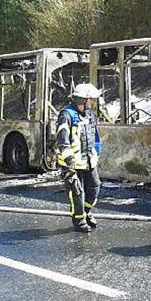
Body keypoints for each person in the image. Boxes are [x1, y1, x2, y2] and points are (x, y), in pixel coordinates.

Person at [56, 83, 102, 232]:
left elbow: (94, 136)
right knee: (77, 191)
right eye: (90, 99)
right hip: (72, 162)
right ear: (83, 100)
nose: (92, 102)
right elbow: (62, 139)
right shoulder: (66, 114)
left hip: (88, 160)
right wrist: (69, 160)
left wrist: (96, 151)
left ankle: (87, 212)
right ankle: (79, 219)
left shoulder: (89, 114)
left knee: (94, 187)